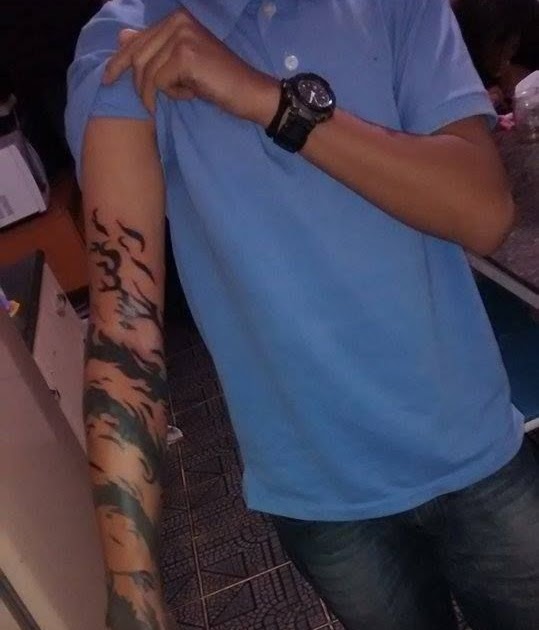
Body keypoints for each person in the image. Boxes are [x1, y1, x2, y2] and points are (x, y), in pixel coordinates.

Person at [65, 1, 539, 629]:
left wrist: (268, 100)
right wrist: (133, 593)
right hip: (325, 498)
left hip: (474, 441)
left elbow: (484, 213)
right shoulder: (128, 42)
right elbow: (124, 326)